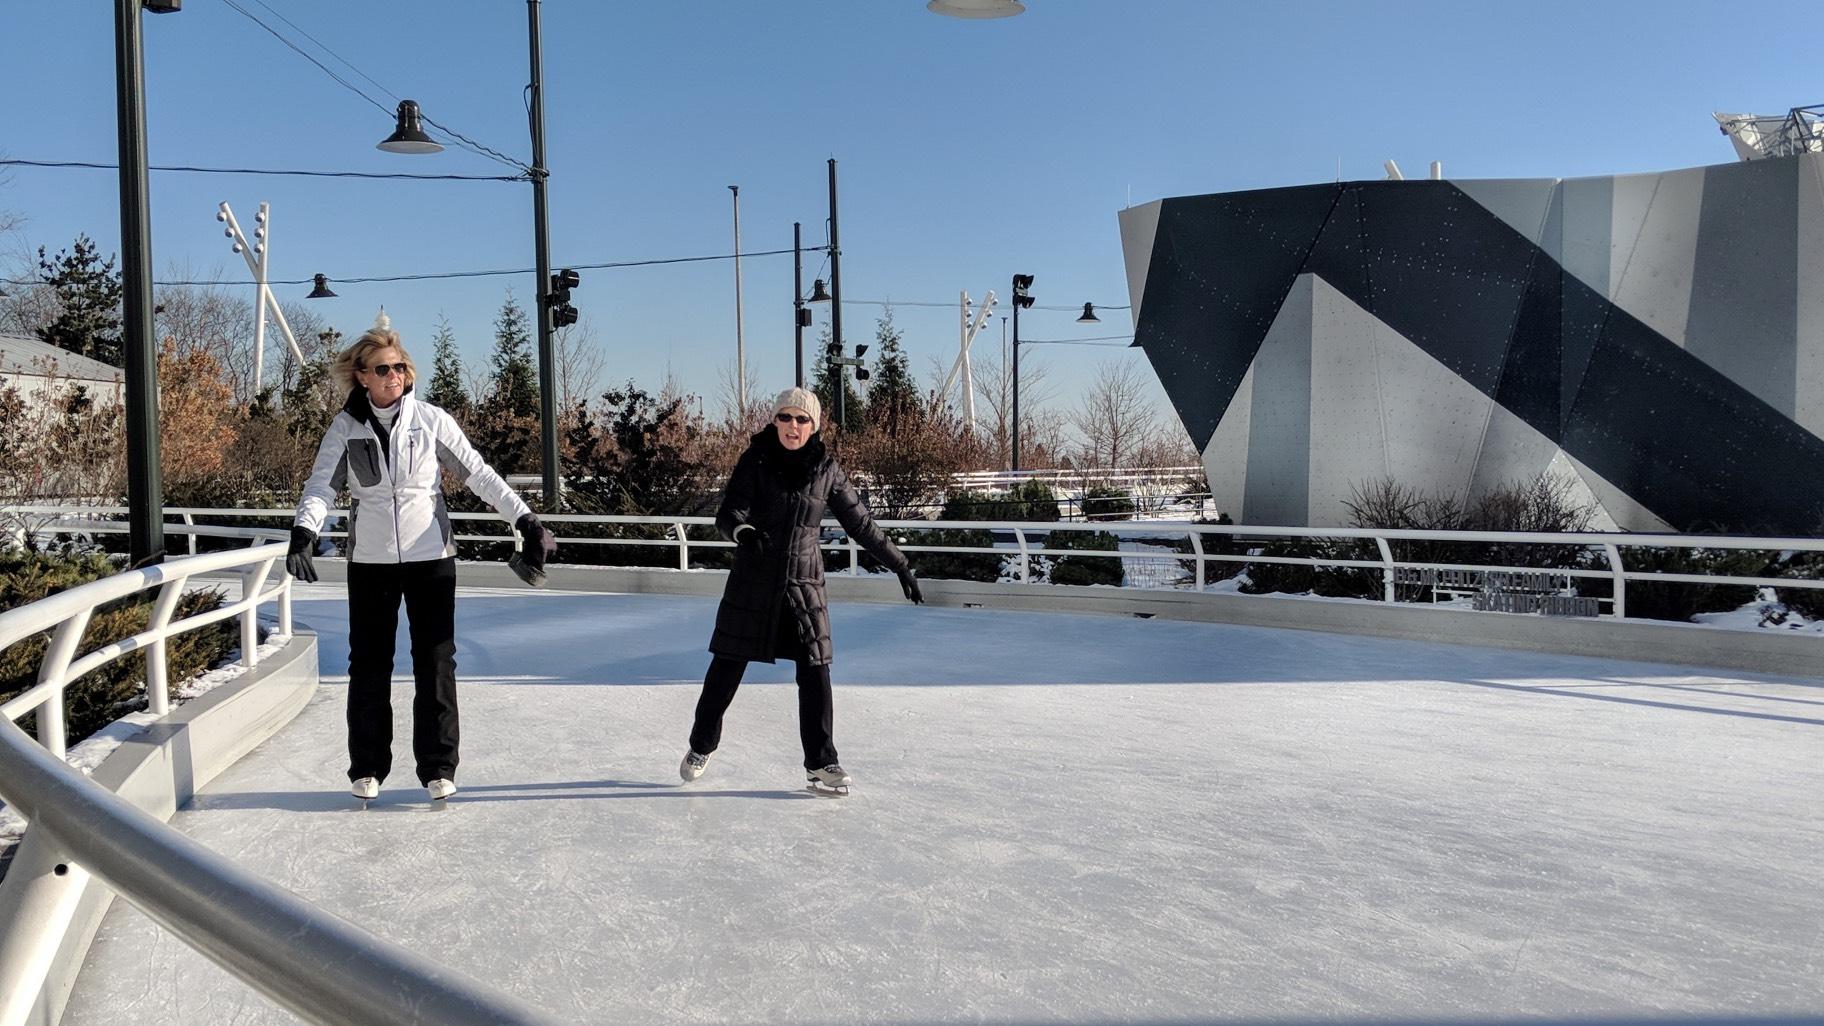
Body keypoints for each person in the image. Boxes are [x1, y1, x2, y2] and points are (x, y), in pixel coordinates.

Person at [287, 313, 555, 802]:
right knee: (369, 665)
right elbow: (323, 484)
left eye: (401, 368)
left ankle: (437, 766)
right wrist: (304, 530)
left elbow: (480, 474)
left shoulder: (430, 421)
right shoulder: (345, 428)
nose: (396, 376)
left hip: (430, 557)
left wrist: (525, 520)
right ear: (362, 376)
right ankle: (367, 766)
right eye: (384, 368)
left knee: (435, 663)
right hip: (369, 562)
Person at [681, 387, 923, 796]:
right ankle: (701, 746)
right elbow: (729, 513)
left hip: (803, 586)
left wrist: (900, 565)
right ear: (774, 421)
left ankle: (821, 763)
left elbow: (860, 524)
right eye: (785, 418)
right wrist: (743, 532)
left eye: (802, 419)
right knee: (726, 669)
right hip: (753, 581)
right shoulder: (755, 460)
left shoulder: (826, 468)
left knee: (815, 673)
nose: (793, 426)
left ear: (815, 426)